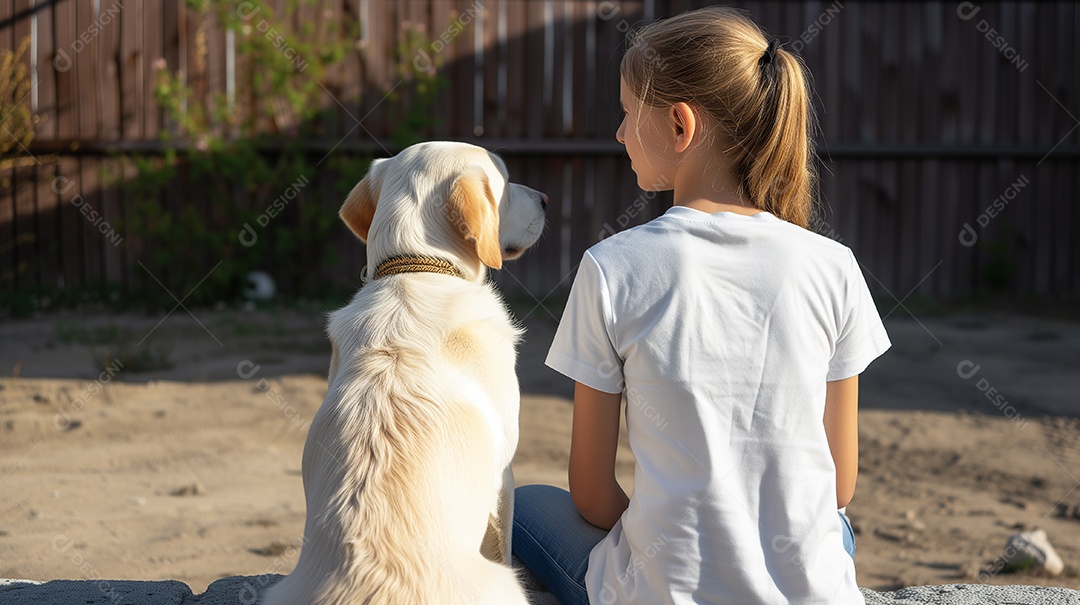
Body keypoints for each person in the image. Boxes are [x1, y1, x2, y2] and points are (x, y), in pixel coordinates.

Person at [512, 6, 890, 605]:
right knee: (832, 527)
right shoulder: (834, 266)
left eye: (628, 113)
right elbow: (839, 483)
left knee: (524, 502)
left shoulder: (611, 267)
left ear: (681, 126)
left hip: (661, 591)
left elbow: (589, 492)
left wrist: (676, 541)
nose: (618, 133)